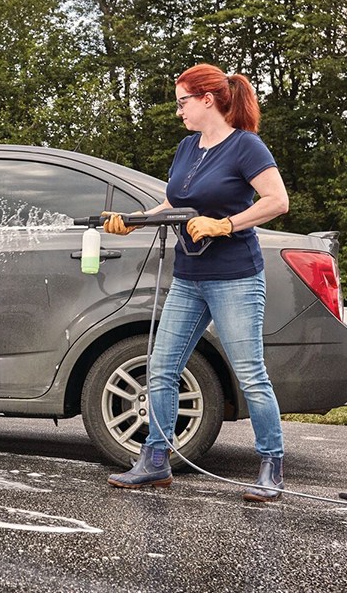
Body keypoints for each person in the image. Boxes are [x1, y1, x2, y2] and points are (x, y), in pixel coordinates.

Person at [103, 63, 290, 502]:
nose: (179, 111)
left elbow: (277, 201)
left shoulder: (246, 146)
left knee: (249, 373)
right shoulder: (188, 147)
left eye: (182, 101)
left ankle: (271, 466)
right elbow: (174, 202)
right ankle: (155, 461)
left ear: (208, 99)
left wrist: (225, 225)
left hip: (236, 278)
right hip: (189, 277)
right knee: (162, 368)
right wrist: (132, 222)